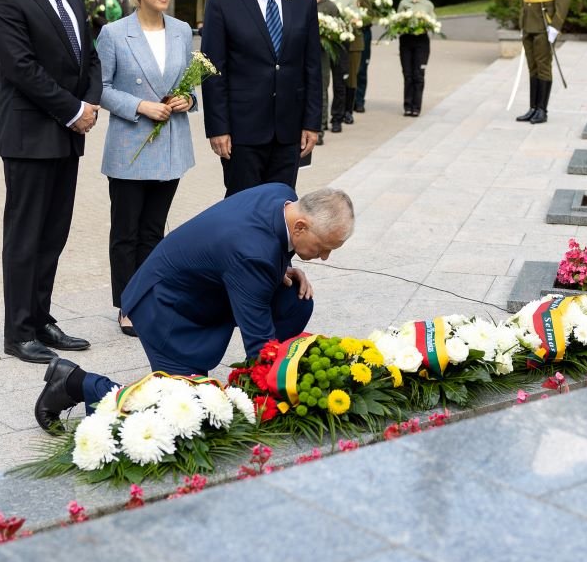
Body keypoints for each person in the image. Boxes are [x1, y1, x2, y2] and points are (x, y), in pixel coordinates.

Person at [33, 185, 354, 431]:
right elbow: (262, 348)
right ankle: (74, 382)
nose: (324, 257)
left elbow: (257, 253)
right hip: (164, 308)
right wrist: (298, 393)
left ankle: (254, 383)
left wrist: (279, 268)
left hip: (201, 289)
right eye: (324, 247)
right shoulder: (252, 253)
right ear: (300, 227)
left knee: (294, 302)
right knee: (184, 413)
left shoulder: (283, 196)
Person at [0, 0, 102, 364]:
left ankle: (42, 317)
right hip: (31, 135)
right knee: (26, 234)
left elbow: (89, 57)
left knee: (54, 232)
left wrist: (89, 103)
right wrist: (73, 110)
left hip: (68, 134)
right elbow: (20, 67)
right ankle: (18, 331)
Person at [98, 0, 197, 337]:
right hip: (130, 146)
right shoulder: (113, 33)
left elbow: (188, 82)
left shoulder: (182, 30)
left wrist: (187, 100)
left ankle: (151, 297)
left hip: (170, 145)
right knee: (126, 230)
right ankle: (127, 303)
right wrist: (140, 105)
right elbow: (102, 89)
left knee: (155, 229)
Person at [201, 0, 322, 197]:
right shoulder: (223, 0)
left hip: (289, 132)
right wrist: (218, 128)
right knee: (242, 212)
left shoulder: (303, 0)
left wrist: (312, 123)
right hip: (242, 133)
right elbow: (213, 70)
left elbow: (312, 66)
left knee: (281, 209)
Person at [515, 0, 570, 125]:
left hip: (544, 23)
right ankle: (533, 107)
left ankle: (542, 110)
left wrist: (555, 26)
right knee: (532, 67)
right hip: (529, 21)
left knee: (544, 67)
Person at [308, 0, 344, 145]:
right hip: (304, 52)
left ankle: (320, 129)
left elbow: (339, 31)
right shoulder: (303, 2)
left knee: (321, 89)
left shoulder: (330, 6)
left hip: (322, 54)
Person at [321, 0, 355, 134]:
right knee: (322, 83)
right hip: (324, 45)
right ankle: (323, 120)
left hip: (341, 44)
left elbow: (355, 21)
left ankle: (337, 118)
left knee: (339, 83)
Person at [396, 0, 436, 117]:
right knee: (408, 74)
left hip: (421, 41)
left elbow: (433, 23)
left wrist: (424, 24)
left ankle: (416, 106)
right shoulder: (404, 3)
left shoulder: (428, 5)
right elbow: (397, 20)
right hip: (406, 40)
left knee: (418, 75)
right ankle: (407, 105)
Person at [336, 0, 369, 124]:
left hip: (354, 40)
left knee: (351, 76)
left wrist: (359, 19)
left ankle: (348, 110)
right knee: (337, 76)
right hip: (336, 38)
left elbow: (370, 15)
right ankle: (338, 110)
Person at [352, 0, 377, 113]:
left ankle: (359, 100)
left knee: (362, 67)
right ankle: (351, 99)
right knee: (351, 67)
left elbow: (375, 12)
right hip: (351, 31)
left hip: (364, 30)